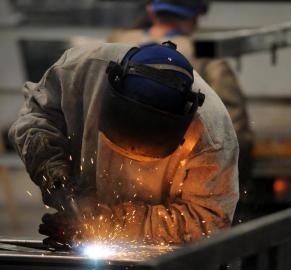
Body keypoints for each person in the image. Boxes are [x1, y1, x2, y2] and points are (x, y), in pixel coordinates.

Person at [9, 41, 239, 247]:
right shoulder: (79, 71)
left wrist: (104, 223)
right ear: (110, 89)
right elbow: (34, 120)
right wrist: (55, 176)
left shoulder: (212, 135)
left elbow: (206, 221)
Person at [108, 0, 254, 197]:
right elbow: (233, 126)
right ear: (193, 18)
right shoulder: (205, 56)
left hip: (112, 169)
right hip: (174, 178)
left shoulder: (114, 46)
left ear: (151, 11)